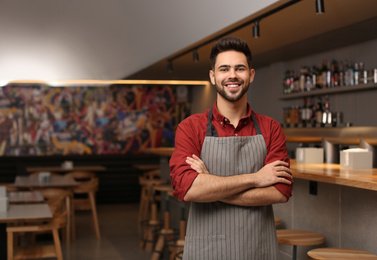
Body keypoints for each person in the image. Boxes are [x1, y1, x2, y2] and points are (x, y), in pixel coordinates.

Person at [169, 36, 293, 260]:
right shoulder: (190, 128)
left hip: (258, 249)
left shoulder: (271, 128)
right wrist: (255, 179)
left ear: (251, 75)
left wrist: (210, 185)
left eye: (240, 68)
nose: (232, 75)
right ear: (213, 76)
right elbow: (187, 190)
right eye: (224, 69)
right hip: (208, 250)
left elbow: (280, 192)